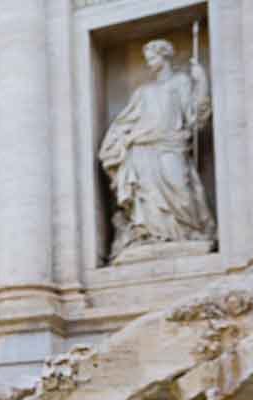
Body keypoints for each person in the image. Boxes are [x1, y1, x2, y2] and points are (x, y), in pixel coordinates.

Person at [98, 38, 216, 262]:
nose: (149, 62)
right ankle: (152, 235)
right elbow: (125, 122)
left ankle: (188, 232)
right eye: (147, 59)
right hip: (142, 148)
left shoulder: (180, 82)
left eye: (152, 57)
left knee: (179, 186)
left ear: (164, 56)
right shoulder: (143, 91)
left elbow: (195, 116)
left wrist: (202, 83)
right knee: (147, 195)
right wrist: (120, 141)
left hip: (172, 144)